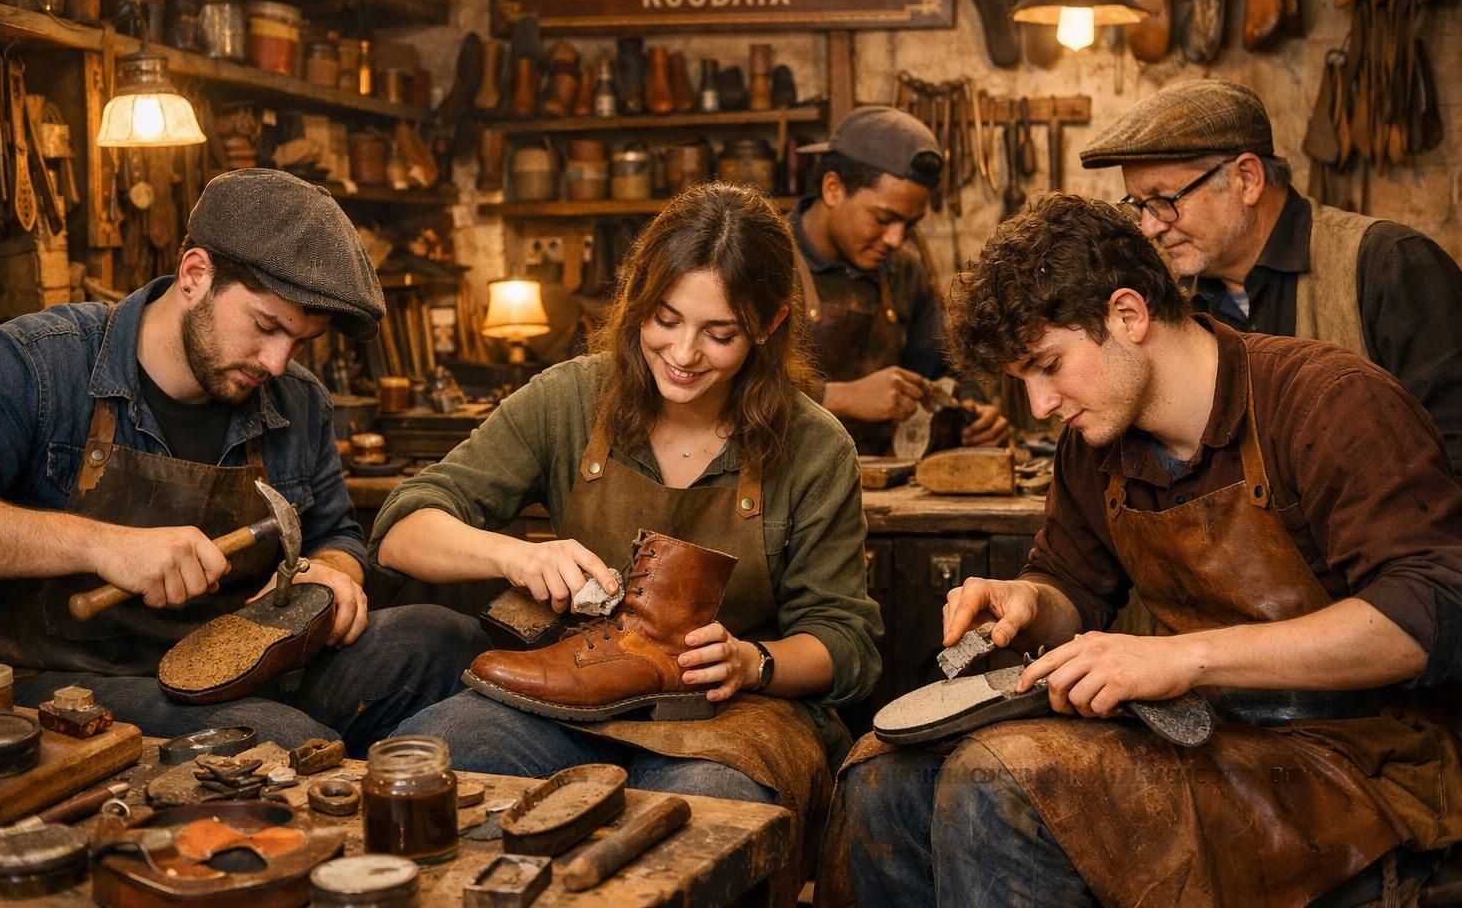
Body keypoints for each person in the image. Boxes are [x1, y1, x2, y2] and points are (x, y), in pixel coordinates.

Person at [825, 192, 1462, 908]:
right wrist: (1030, 602)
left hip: (1358, 758)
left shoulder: (1328, 402)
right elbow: (1072, 582)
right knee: (883, 776)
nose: (1038, 405)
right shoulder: (1093, 446)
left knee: (996, 782)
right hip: (1204, 738)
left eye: (1048, 366)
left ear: (1129, 316)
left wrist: (1183, 656)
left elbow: (1429, 617)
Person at [372, 182, 882, 901]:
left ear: (769, 324)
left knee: (708, 821)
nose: (683, 354)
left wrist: (751, 661)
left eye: (720, 333)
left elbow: (847, 643)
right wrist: (516, 554)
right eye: (664, 319)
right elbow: (401, 528)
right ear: (636, 301)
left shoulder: (813, 446)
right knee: (440, 760)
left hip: (737, 718)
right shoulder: (571, 399)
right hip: (573, 692)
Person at [0, 169, 487, 754]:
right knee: (277, 743)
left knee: (442, 637)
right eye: (265, 326)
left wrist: (333, 575)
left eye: (299, 343)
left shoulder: (298, 400)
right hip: (72, 681)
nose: (275, 363)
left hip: (245, 662)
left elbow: (337, 535)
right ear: (196, 275)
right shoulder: (37, 366)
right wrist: (101, 545)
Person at [1081, 78, 1462, 475]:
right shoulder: (1180, 303)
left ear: (1247, 178)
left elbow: (1454, 449)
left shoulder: (1388, 264)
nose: (1150, 227)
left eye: (1164, 201)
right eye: (1140, 204)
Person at [793, 106, 1008, 454]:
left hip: (883, 482)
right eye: (883, 218)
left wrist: (973, 410)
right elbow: (728, 392)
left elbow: (939, 368)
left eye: (909, 224)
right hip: (786, 490)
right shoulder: (762, 261)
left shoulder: (904, 271)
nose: (896, 239)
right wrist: (840, 398)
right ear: (833, 188)